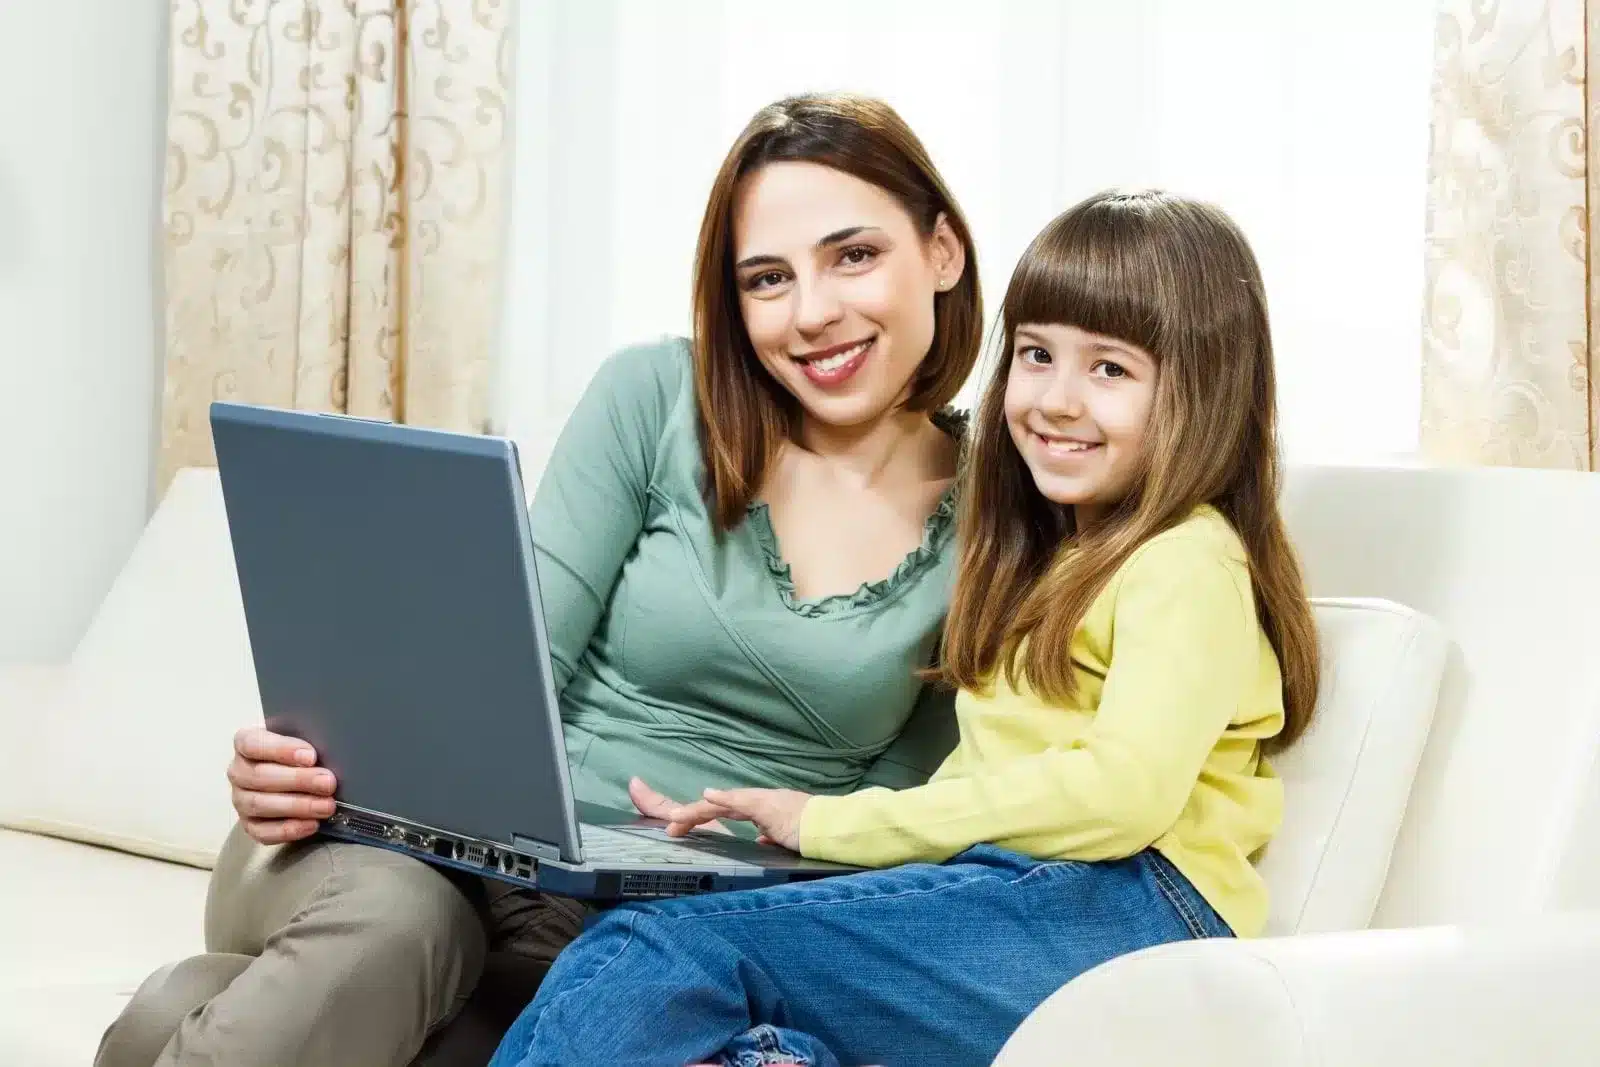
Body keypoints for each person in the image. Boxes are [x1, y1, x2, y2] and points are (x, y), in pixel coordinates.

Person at [93, 92, 984, 1067]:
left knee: (551, 1007)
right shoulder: (656, 397)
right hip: (414, 852)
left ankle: (183, 1017)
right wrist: (302, 765)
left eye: (853, 255)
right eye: (767, 278)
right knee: (399, 929)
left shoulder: (1004, 509)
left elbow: (908, 807)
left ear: (942, 250)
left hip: (655, 919)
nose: (812, 312)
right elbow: (499, 669)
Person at [486, 188, 1324, 1067]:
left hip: (1136, 910)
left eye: (1110, 369)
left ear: (1209, 391)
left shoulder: (1187, 558)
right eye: (1037, 355)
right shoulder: (1052, 558)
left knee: (662, 946)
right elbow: (985, 781)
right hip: (1026, 889)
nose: (1058, 400)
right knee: (748, 1043)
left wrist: (832, 826)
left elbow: (1122, 796)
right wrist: (801, 839)